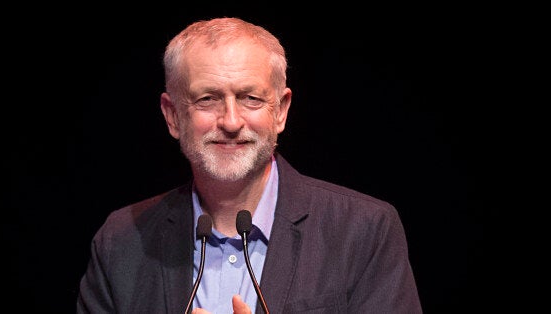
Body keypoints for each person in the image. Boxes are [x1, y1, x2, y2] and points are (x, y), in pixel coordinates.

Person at [77, 17, 422, 313]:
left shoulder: (362, 231)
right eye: (207, 99)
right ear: (172, 115)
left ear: (281, 111)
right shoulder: (122, 240)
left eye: (250, 99)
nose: (230, 121)